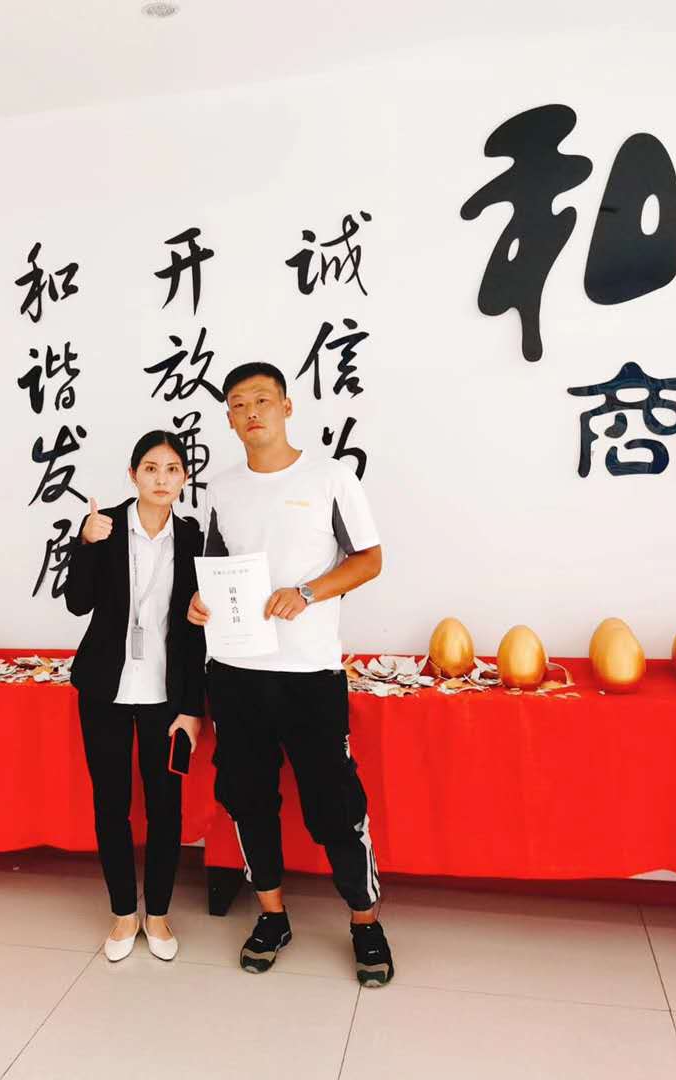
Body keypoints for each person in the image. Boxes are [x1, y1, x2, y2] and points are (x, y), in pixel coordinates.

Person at [187, 362, 394, 987]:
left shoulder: (329, 476)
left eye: (262, 399)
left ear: (286, 407)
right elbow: (215, 569)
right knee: (247, 797)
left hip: (309, 672)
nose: (250, 411)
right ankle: (272, 916)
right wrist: (200, 603)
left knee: (335, 804)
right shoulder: (222, 488)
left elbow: (369, 559)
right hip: (235, 671)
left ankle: (365, 921)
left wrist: (307, 592)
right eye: (237, 403)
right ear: (229, 418)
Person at [65, 430, 205, 961]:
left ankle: (159, 915)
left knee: (166, 809)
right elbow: (77, 602)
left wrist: (192, 708)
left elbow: (196, 633)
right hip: (105, 690)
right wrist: (84, 544)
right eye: (150, 468)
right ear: (132, 475)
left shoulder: (192, 538)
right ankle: (124, 913)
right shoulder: (104, 527)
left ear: (184, 478)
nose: (161, 479)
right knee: (112, 805)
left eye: (172, 469)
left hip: (166, 698)